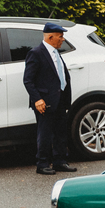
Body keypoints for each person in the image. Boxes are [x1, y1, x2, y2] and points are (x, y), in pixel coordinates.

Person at [23, 22, 76, 175]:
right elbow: (28, 80)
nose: (63, 39)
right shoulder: (36, 53)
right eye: (60, 36)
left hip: (60, 99)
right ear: (50, 37)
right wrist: (37, 99)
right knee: (45, 133)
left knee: (60, 132)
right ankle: (42, 163)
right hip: (45, 101)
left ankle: (60, 161)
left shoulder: (56, 53)